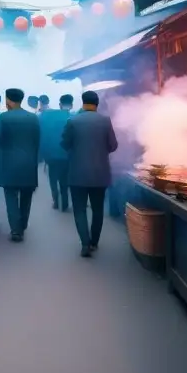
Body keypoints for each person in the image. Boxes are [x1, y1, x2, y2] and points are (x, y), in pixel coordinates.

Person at [62, 91, 119, 257]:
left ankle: (85, 243)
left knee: (79, 209)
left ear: (83, 102)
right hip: (100, 173)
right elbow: (113, 145)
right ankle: (94, 242)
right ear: (97, 103)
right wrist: (101, 151)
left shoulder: (72, 121)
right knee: (97, 209)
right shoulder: (105, 121)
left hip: (77, 173)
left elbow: (65, 144)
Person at [0, 88, 40, 242]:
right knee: (26, 196)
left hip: (9, 163)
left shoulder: (3, 117)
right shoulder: (33, 118)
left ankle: (16, 230)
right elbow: (37, 140)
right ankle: (23, 224)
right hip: (28, 163)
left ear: (8, 100)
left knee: (11, 196)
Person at [40, 94, 73, 211]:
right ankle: (64, 203)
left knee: (53, 178)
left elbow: (42, 136)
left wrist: (43, 154)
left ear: (59, 105)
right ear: (72, 105)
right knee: (65, 180)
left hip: (51, 155)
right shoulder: (73, 117)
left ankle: (55, 200)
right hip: (66, 155)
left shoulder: (47, 116)